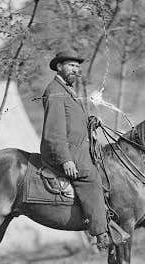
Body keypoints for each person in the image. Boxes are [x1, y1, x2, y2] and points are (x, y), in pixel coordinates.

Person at [40, 49, 114, 250]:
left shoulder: (66, 90)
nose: (76, 70)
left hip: (77, 148)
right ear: (59, 66)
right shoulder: (54, 91)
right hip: (64, 152)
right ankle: (101, 233)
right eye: (71, 66)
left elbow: (72, 122)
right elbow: (54, 132)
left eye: (77, 66)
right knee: (90, 176)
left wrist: (89, 122)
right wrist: (66, 160)